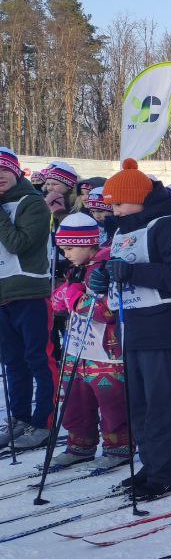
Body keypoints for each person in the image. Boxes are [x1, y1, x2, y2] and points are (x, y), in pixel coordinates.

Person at [98, 159, 171, 497]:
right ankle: (151, 464)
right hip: (134, 325)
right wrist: (103, 276)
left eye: (120, 203)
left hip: (163, 326)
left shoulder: (168, 225)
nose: (115, 211)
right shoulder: (124, 229)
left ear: (138, 198)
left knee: (160, 403)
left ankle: (166, 471)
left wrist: (132, 273)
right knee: (137, 403)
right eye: (112, 205)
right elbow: (119, 267)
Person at [50, 213, 129, 470]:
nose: (66, 254)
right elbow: (58, 302)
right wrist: (67, 295)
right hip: (77, 346)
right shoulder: (77, 268)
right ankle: (79, 444)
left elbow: (104, 310)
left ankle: (118, 445)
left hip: (106, 350)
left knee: (111, 400)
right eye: (62, 248)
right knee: (74, 398)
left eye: (70, 248)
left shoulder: (105, 267)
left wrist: (72, 296)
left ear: (88, 243)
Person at [0, 147, 56, 452]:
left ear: (16, 171)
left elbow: (18, 243)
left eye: (3, 170)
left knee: (38, 359)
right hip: (3, 296)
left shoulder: (33, 203)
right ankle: (19, 418)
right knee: (12, 362)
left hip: (30, 293)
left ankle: (44, 421)